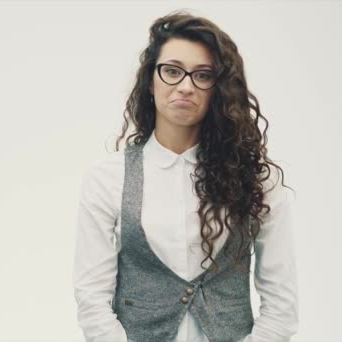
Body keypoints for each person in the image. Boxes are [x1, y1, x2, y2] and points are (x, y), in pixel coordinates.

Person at [72, 10, 298, 342]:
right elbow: (91, 297)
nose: (186, 86)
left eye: (203, 75)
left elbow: (282, 303)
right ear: (151, 81)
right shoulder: (107, 178)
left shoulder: (257, 180)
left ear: (218, 88)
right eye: (172, 71)